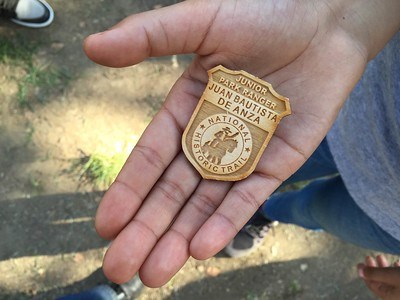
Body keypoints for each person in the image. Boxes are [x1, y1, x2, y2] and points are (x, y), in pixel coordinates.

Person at [83, 0, 400, 290]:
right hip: (345, 111)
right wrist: (344, 19)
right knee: (291, 192)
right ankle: (265, 209)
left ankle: (267, 211)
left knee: (315, 211)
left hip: (389, 218)